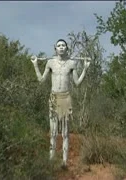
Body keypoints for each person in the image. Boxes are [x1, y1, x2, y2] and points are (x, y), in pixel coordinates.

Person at [31, 39, 90, 168]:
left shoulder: (71, 63)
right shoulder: (50, 62)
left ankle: (64, 162)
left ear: (66, 48)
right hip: (53, 98)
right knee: (52, 132)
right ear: (55, 49)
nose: (61, 47)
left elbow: (77, 83)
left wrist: (85, 69)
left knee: (65, 133)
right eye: (59, 45)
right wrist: (35, 65)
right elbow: (41, 80)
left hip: (66, 98)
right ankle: (51, 162)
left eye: (63, 45)